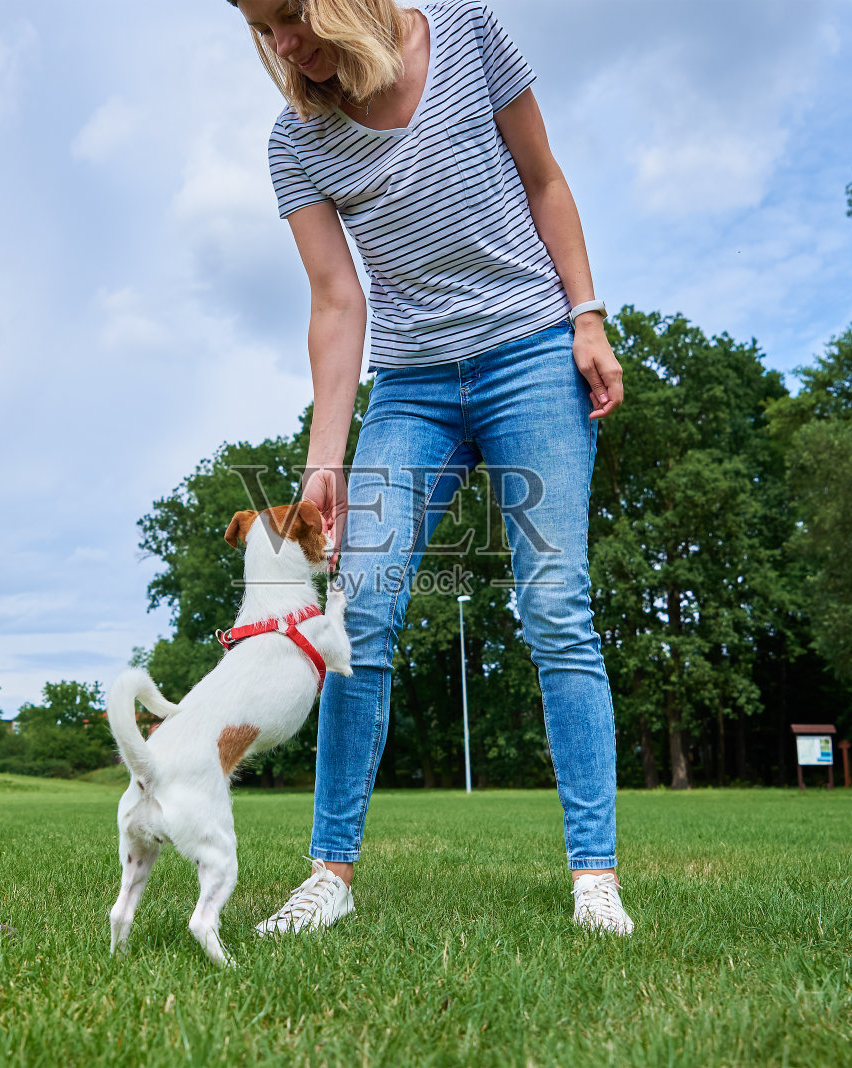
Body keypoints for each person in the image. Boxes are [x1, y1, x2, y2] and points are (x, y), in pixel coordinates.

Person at [230, 0, 633, 935]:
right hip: (410, 388)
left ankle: (594, 880)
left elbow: (544, 178)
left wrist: (587, 313)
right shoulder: (297, 140)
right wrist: (323, 456)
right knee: (357, 613)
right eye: (263, 31)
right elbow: (337, 301)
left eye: (290, 16)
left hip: (531, 352)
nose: (284, 44)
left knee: (555, 603)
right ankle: (329, 874)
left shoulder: (465, 29)